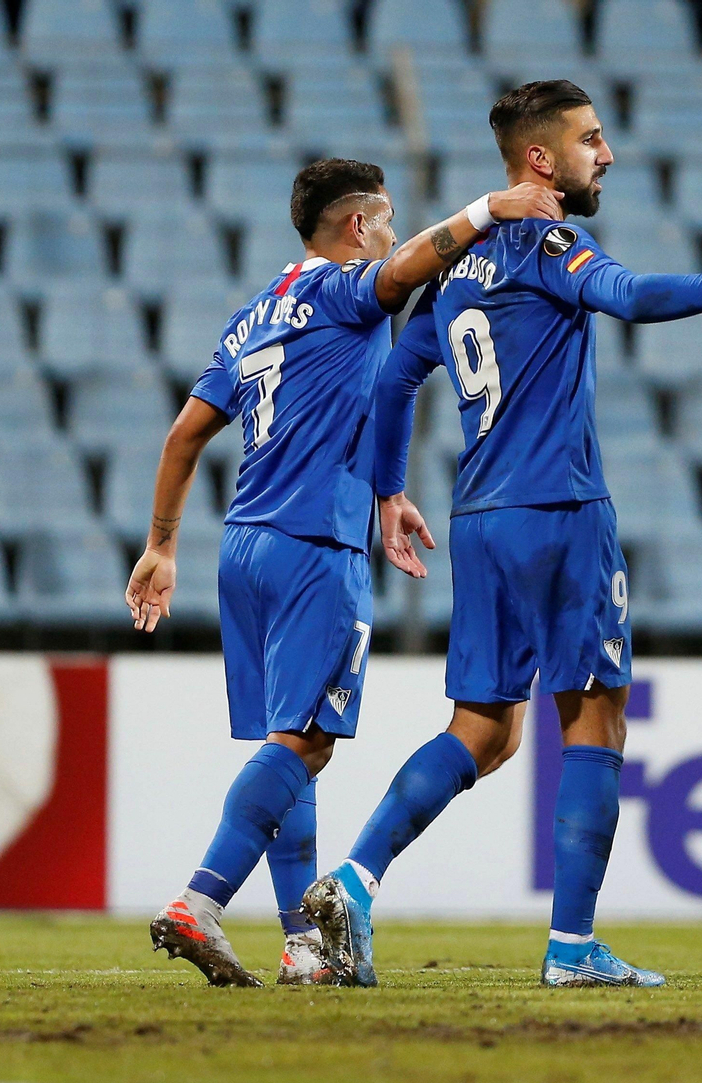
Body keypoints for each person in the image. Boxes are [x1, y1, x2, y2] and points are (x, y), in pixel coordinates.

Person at [302, 80, 702, 989]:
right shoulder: (552, 242)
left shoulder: (451, 270)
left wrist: (389, 492)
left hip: (480, 519)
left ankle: (353, 878)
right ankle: (572, 946)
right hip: (560, 509)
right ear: (540, 159)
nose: (608, 154)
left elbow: (394, 383)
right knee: (596, 716)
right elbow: (630, 296)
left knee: (482, 728)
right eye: (592, 139)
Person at [126, 158, 560, 987]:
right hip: (314, 547)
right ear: (357, 226)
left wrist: (161, 545)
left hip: (243, 546)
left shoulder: (255, 313)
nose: (392, 235)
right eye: (386, 219)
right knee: (306, 740)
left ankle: (303, 946)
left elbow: (185, 433)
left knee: (296, 746)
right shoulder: (341, 290)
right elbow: (403, 271)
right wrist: (487, 210)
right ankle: (200, 900)